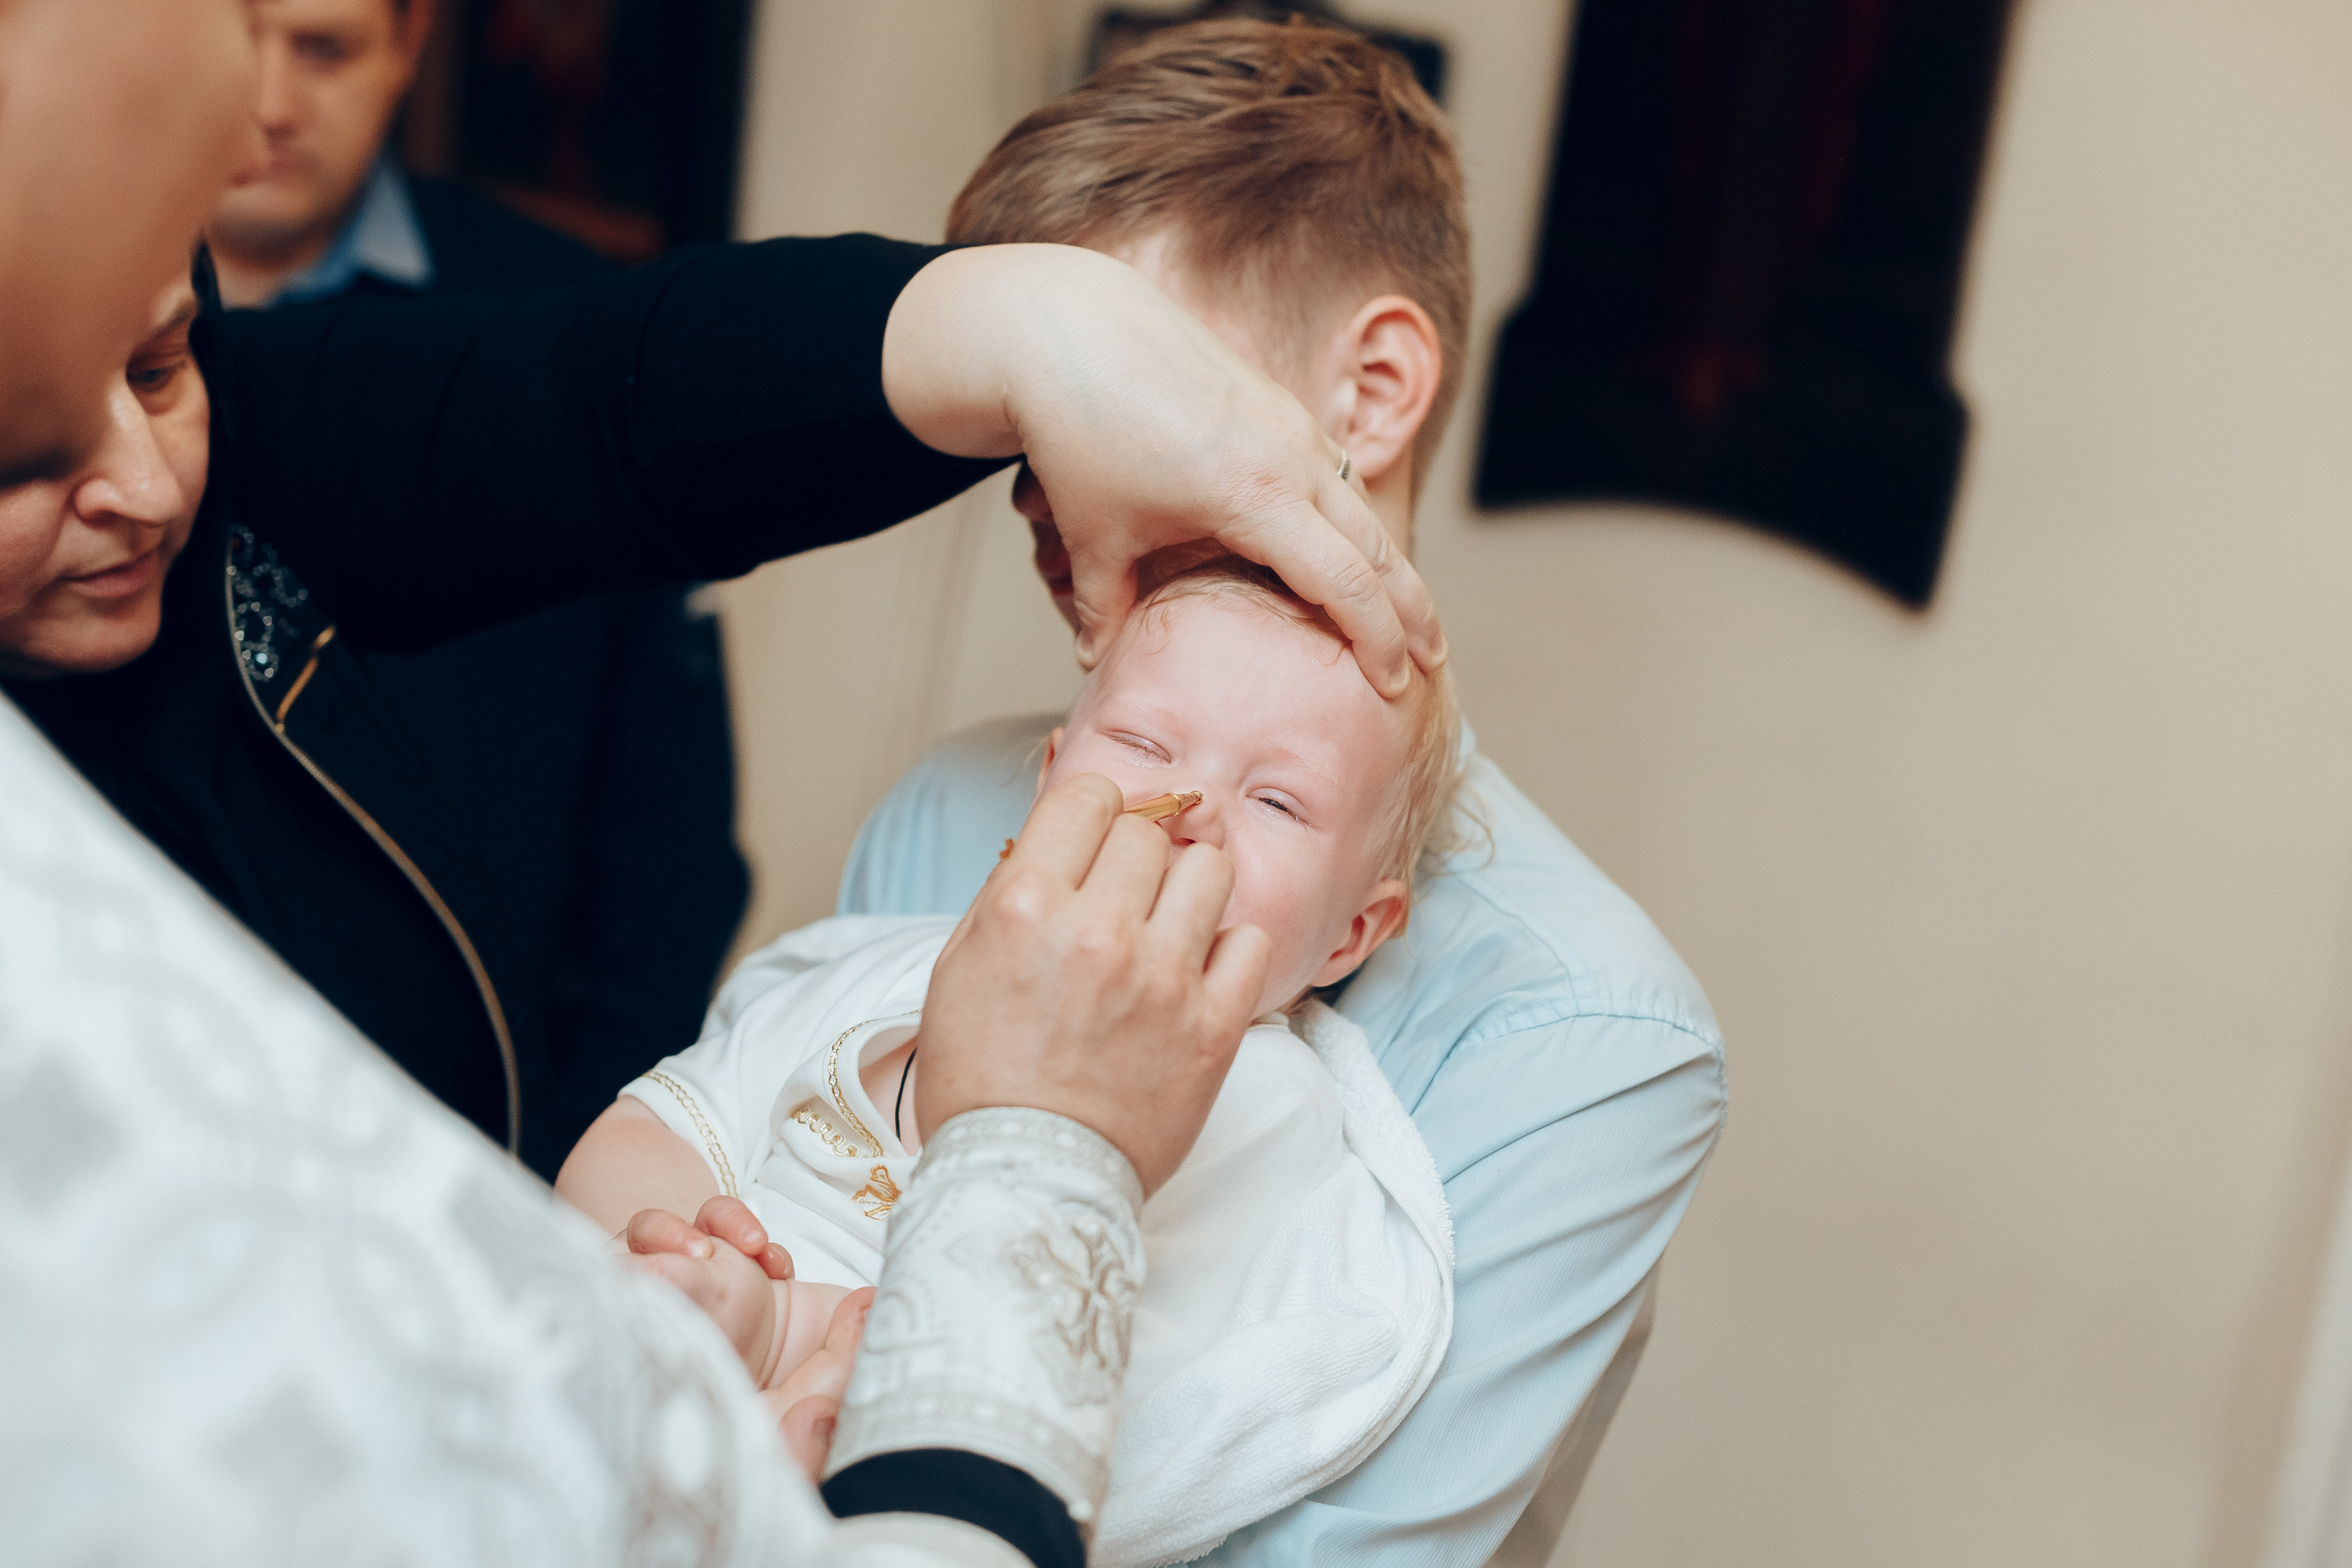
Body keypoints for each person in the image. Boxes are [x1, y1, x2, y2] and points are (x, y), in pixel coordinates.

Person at [0, 0, 1444, 1559]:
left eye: (171, 354)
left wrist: (1039, 333)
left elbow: (589, 407)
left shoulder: (1357, 1184)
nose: (149, 480)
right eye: (22, 453)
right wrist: (1013, 1172)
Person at [836, 22, 1729, 1565]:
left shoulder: (1588, 1033)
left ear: (1372, 390)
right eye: (1024, 397)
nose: (1040, 480)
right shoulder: (941, 811)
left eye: (1112, 378)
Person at [560, 556, 1463, 1566]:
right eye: (1141, 742)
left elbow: (1164, 1400)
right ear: (1048, 785)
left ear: (1350, 934)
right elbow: (659, 1123)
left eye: (1278, 802)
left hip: (934, 1465)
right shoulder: (880, 966)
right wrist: (660, 1254)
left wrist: (822, 1362)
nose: (1189, 806)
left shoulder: (1265, 1103)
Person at [203, 0, 751, 1159]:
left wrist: (570, 1168)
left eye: (323, 46)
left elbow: (666, 858)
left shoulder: (564, 336)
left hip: (480, 1138)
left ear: (409, 43)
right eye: (229, 33)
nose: (268, 101)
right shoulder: (54, 323)